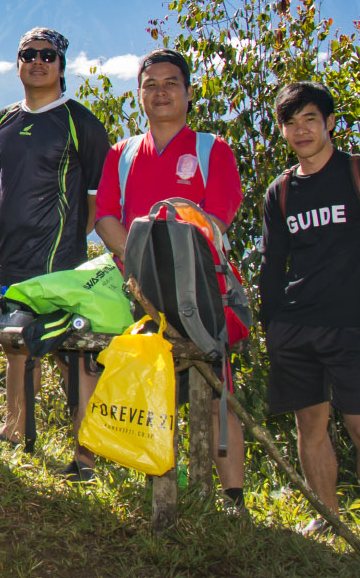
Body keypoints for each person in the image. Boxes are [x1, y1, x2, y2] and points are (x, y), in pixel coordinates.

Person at [259, 81, 360, 557]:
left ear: (329, 123)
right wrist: (273, 323)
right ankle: (328, 518)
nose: (300, 130)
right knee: (311, 427)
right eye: (291, 122)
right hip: (297, 326)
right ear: (282, 130)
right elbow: (272, 263)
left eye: (310, 119)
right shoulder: (281, 191)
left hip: (351, 327)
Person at [93, 48, 247, 500]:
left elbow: (216, 218)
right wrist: (140, 269)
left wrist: (172, 269)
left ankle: (232, 498)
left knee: (216, 394)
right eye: (150, 84)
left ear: (189, 92)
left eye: (171, 83)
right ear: (138, 94)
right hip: (136, 295)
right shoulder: (121, 155)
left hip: (200, 295)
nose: (160, 92)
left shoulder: (211, 149)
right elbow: (105, 216)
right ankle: (154, 489)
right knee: (147, 397)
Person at [0, 28, 109, 472]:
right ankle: (14, 431)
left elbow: (99, 193)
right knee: (16, 346)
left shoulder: (80, 121)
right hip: (10, 255)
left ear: (61, 66)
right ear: (17, 63)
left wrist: (80, 241)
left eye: (47, 56)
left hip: (60, 260)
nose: (37, 62)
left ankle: (86, 453)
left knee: (75, 355)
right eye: (28, 54)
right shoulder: (4, 120)